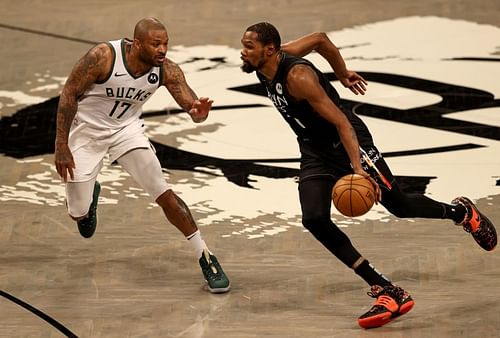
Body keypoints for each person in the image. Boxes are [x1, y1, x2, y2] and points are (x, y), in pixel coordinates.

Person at [240, 22, 497, 328]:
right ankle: (387, 289)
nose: (243, 52)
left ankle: (461, 212)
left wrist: (359, 171)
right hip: (314, 150)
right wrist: (343, 72)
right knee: (314, 218)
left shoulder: (298, 77)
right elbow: (321, 40)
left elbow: (342, 124)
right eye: (244, 45)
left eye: (249, 46)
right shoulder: (265, 63)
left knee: (398, 206)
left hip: (348, 142)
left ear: (269, 50)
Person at [54, 17, 230, 294]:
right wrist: (61, 145)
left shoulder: (165, 70)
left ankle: (206, 257)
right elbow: (68, 94)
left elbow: (190, 104)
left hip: (127, 131)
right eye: (156, 44)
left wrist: (197, 114)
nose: (163, 50)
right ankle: (89, 200)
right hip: (87, 132)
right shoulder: (103, 57)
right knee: (78, 212)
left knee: (163, 191)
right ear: (137, 44)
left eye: (166, 44)